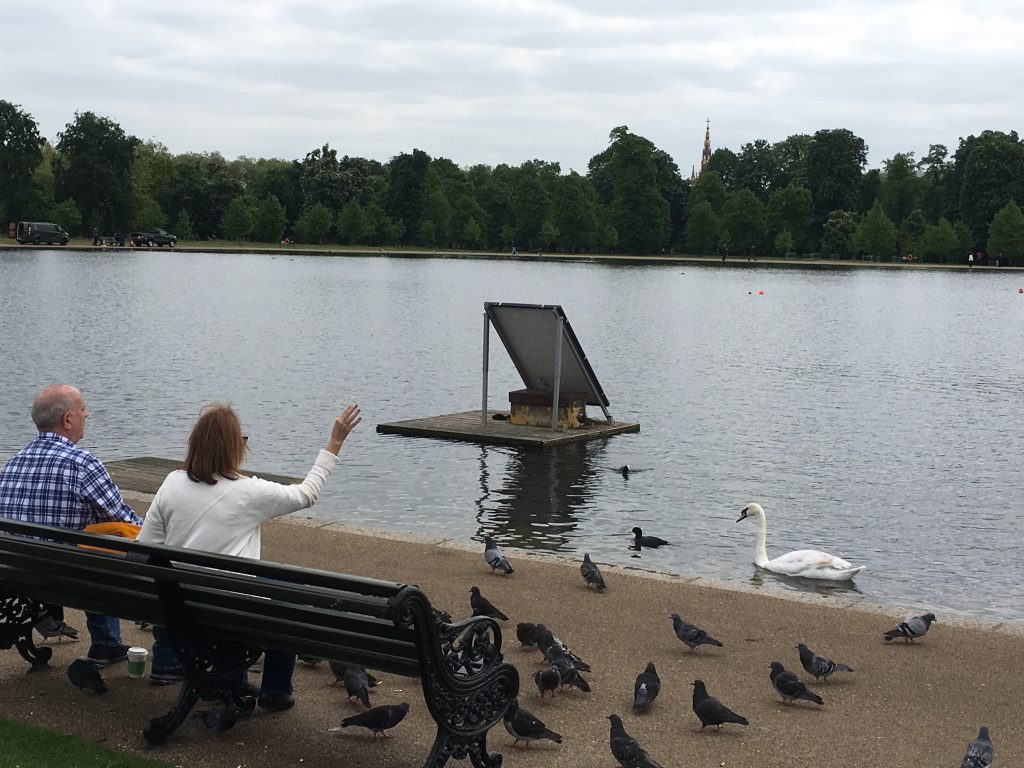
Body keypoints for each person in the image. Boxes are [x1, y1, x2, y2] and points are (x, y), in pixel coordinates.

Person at [137, 401, 361, 711]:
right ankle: (276, 691)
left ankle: (219, 676)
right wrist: (335, 441)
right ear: (233, 448)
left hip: (180, 607)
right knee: (289, 596)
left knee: (278, 584)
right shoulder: (248, 491)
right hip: (231, 612)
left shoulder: (171, 482)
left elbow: (145, 546)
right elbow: (307, 493)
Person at [0, 384, 143, 665]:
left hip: (18, 574)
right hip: (72, 578)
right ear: (67, 419)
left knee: (86, 544)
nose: (86, 414)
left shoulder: (12, 464)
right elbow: (125, 519)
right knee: (105, 549)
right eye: (82, 410)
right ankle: (107, 642)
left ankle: (107, 641)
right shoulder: (82, 464)